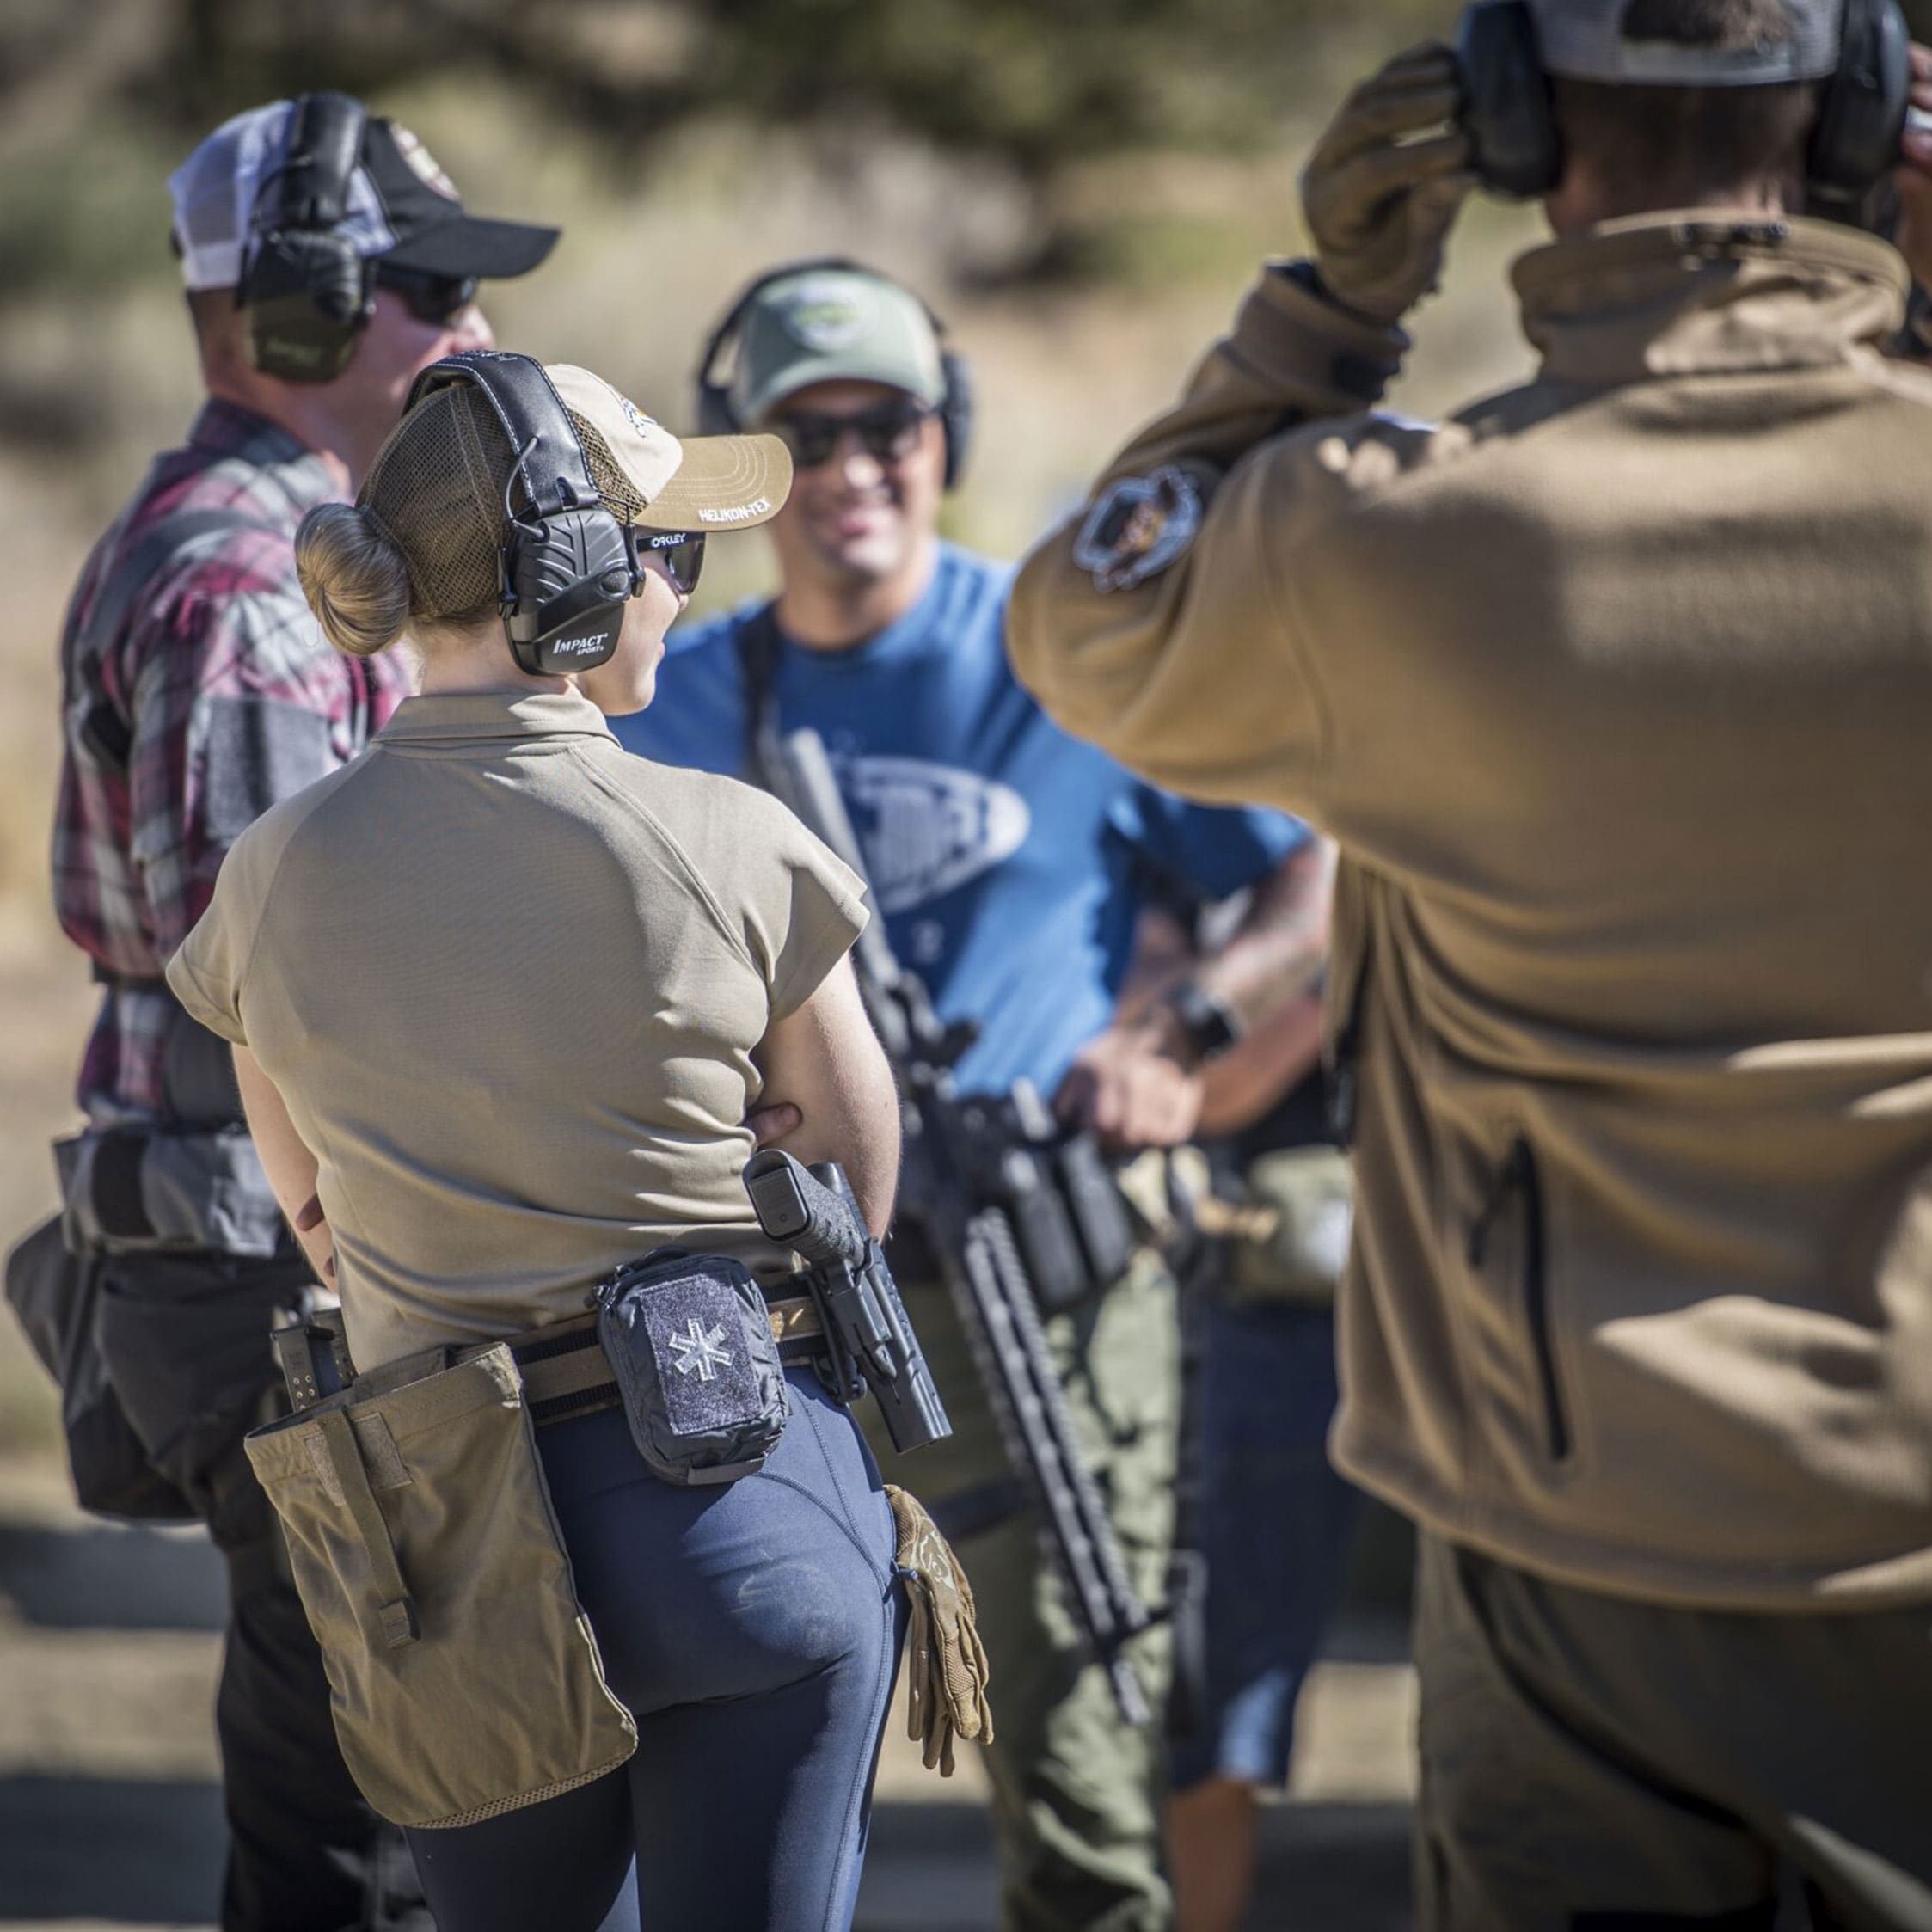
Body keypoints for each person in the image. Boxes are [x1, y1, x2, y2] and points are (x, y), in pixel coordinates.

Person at [1008, 1, 1932, 1922]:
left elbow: (1081, 617)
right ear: (1853, 113)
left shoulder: (1400, 536)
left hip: (1555, 1522)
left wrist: (1323, 310)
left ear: (1505, 117)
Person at [616, 260, 1323, 1931]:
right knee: (734, 1792)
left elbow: (1312, 883)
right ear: (761, 464)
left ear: (947, 441)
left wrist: (1181, 1038)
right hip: (764, 1313)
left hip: (1045, 1298)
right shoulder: (676, 691)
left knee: (1081, 1785)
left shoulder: (1059, 657)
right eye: (810, 433)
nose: (856, 467)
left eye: (892, 428)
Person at [164, 354, 910, 1932]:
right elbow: (847, 1178)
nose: (679, 592)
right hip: (735, 1503)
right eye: (666, 553)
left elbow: (314, 1216)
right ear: (573, 572)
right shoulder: (734, 841)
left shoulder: (269, 877)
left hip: (448, 1564)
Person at [45, 95, 555, 1929]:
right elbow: (298, 991)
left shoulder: (266, 544)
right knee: (376, 1821)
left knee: (359, 1783)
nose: (474, 333)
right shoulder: (260, 586)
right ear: (300, 311)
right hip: (286, 1260)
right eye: (431, 290)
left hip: (252, 1249)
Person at [1131, 856, 1364, 1932]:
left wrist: (1190, 999)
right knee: (1174, 1691)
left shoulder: (1347, 857)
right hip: (1186, 1312)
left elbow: (1214, 1085)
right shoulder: (1169, 838)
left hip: (1284, 1328)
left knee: (1219, 1697)